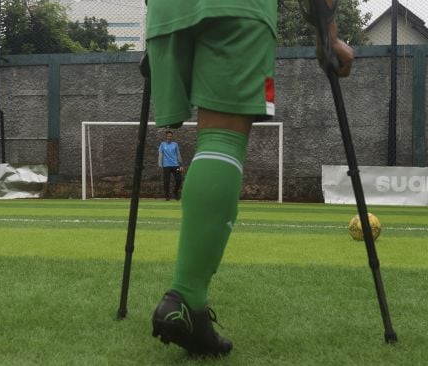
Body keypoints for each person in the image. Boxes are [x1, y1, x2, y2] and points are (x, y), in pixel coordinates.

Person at [147, 0, 354, 357]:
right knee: (222, 138)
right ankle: (186, 299)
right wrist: (328, 34)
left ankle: (185, 299)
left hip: (165, 12)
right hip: (236, 9)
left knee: (213, 142)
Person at [158, 131, 183, 200]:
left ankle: (175, 192)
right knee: (166, 181)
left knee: (179, 180)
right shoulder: (162, 144)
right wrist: (160, 165)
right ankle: (167, 196)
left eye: (171, 136)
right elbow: (160, 155)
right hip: (166, 166)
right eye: (168, 136)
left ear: (172, 137)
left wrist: (180, 164)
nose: (170, 137)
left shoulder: (175, 144)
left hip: (176, 165)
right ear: (166, 136)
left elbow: (178, 154)